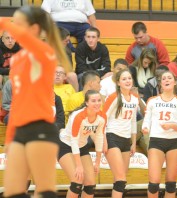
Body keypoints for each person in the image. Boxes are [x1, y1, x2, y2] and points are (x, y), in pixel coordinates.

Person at [0, 5, 71, 198]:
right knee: (13, 191)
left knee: (44, 191)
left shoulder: (45, 53)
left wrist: (3, 23)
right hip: (19, 128)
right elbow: (18, 101)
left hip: (40, 127)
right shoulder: (17, 59)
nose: (14, 27)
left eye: (18, 23)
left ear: (33, 28)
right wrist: (10, 137)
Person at [142, 70, 177, 198]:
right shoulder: (152, 101)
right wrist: (145, 127)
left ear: (174, 82)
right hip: (156, 141)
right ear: (160, 84)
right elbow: (147, 119)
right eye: (164, 79)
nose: (166, 80)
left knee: (171, 183)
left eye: (169, 78)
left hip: (174, 143)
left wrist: (171, 125)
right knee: (154, 182)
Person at [58, 90, 106, 198]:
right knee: (77, 183)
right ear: (87, 103)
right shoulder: (78, 116)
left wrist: (97, 162)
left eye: (99, 100)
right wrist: (79, 166)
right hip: (66, 145)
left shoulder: (102, 117)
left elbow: (99, 138)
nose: (97, 103)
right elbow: (73, 141)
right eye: (93, 101)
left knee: (90, 186)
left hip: (82, 146)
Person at [103, 69, 139, 198]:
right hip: (112, 137)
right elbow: (103, 118)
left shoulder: (135, 98)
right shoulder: (114, 97)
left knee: (119, 179)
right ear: (118, 82)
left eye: (129, 78)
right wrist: (104, 141)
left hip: (126, 139)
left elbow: (133, 121)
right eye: (124, 79)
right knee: (121, 179)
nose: (127, 81)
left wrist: (133, 143)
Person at [58, 26, 79, 92]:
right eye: (66, 41)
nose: (68, 43)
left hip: (64, 72)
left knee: (72, 75)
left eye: (68, 41)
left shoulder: (67, 50)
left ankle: (75, 97)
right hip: (50, 73)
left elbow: (70, 67)